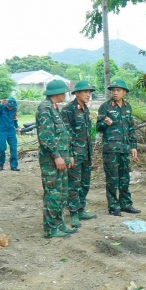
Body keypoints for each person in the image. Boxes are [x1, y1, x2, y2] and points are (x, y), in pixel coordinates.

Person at [36, 79, 76, 238]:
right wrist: (57, 156)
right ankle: (51, 229)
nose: (65, 94)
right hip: (51, 161)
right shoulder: (45, 108)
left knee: (62, 193)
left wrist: (68, 156)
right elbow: (46, 137)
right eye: (64, 91)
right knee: (53, 193)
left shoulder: (53, 108)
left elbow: (61, 135)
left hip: (61, 159)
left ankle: (59, 224)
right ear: (57, 93)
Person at [96, 79, 139, 216]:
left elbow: (131, 128)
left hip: (124, 149)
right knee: (112, 178)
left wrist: (133, 146)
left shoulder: (127, 107)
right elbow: (98, 127)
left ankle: (126, 204)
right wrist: (105, 124)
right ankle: (114, 206)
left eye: (118, 90)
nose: (115, 92)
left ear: (124, 92)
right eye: (113, 90)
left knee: (125, 177)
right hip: (111, 149)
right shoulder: (105, 107)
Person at [62, 80, 98, 227]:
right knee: (74, 185)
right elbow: (65, 135)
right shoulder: (68, 110)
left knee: (85, 183)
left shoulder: (85, 109)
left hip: (86, 153)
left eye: (89, 92)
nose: (88, 94)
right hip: (75, 154)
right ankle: (74, 213)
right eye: (85, 92)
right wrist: (69, 154)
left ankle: (81, 208)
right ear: (76, 93)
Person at [0, 97, 21, 171]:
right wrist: (0, 105)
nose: (10, 108)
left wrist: (17, 127)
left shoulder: (14, 109)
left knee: (14, 148)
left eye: (12, 106)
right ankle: (1, 164)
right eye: (9, 106)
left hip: (11, 131)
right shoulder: (1, 107)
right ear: (6, 104)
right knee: (2, 148)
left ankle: (14, 165)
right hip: (2, 131)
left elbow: (14, 119)